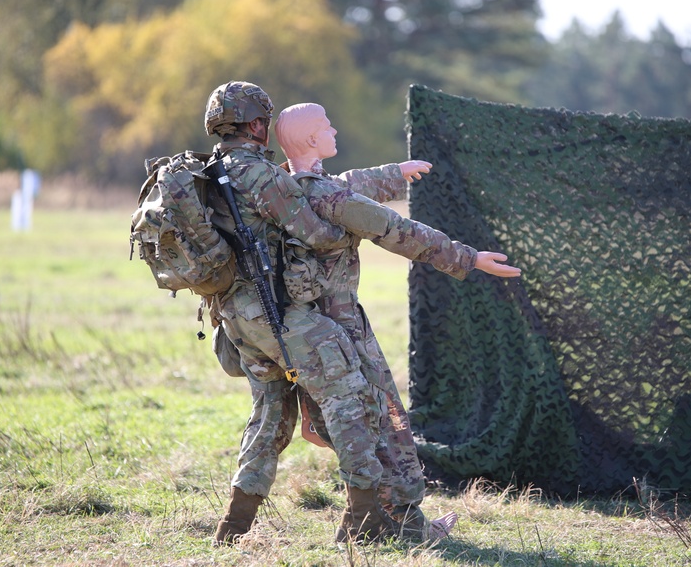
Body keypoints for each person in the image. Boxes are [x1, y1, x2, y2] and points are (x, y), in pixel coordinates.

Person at [237, 101, 521, 542]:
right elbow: (391, 227)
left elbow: (348, 183)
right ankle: (406, 526)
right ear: (311, 139)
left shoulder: (286, 189)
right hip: (341, 327)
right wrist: (469, 257)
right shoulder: (324, 195)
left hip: (295, 331)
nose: (334, 129)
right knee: (388, 420)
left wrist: (395, 172)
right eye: (326, 125)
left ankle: (370, 519)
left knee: (338, 422)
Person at [202, 81, 395, 546]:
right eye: (263, 122)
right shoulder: (261, 175)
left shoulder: (208, 175)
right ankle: (365, 518)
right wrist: (349, 221)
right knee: (348, 392)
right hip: (278, 314)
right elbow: (315, 234)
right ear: (255, 124)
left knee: (271, 414)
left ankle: (233, 527)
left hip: (235, 319)